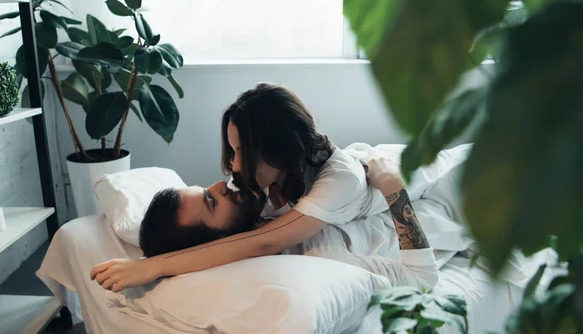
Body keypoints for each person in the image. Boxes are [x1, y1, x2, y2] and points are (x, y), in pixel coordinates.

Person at [91, 83, 436, 291]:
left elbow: (262, 242)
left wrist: (394, 188)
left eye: (244, 153)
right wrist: (157, 261)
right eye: (234, 151)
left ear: (280, 152)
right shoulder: (267, 203)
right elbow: (252, 242)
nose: (233, 169)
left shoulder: (333, 184)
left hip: (405, 172)